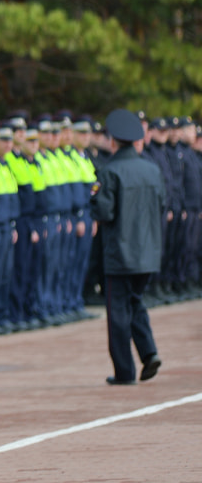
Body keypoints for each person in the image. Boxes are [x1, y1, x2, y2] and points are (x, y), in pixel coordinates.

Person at [91, 109, 165, 386]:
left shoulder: (110, 172)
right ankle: (149, 353)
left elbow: (105, 213)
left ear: (113, 141)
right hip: (147, 253)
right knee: (136, 302)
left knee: (119, 314)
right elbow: (161, 206)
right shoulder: (152, 169)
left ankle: (125, 371)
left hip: (120, 254)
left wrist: (94, 200)